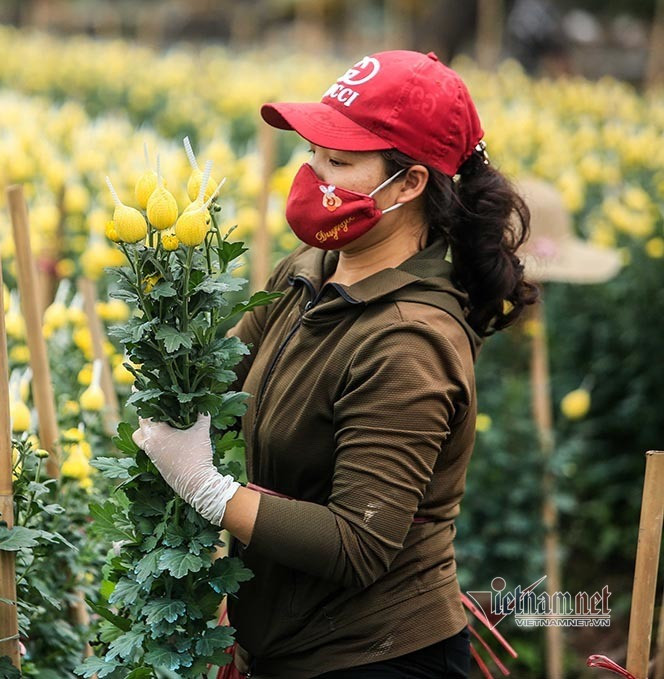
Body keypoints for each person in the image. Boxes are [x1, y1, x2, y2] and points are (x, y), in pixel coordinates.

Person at [132, 50, 538, 678]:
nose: (313, 174)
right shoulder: (306, 271)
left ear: (408, 184)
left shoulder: (408, 342)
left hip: (375, 657)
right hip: (282, 641)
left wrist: (209, 490)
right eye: (313, 152)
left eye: (340, 161)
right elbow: (220, 391)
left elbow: (358, 544)